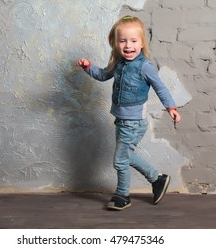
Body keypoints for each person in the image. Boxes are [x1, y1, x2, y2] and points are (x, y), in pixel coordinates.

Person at [75, 15, 181, 211]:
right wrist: (88, 67)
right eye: (123, 41)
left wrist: (171, 108)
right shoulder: (118, 63)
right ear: (116, 43)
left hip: (134, 122)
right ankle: (157, 179)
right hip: (121, 120)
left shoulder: (145, 66)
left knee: (120, 159)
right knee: (125, 156)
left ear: (141, 43)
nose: (128, 45)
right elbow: (102, 75)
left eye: (133, 41)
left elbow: (161, 87)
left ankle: (123, 195)